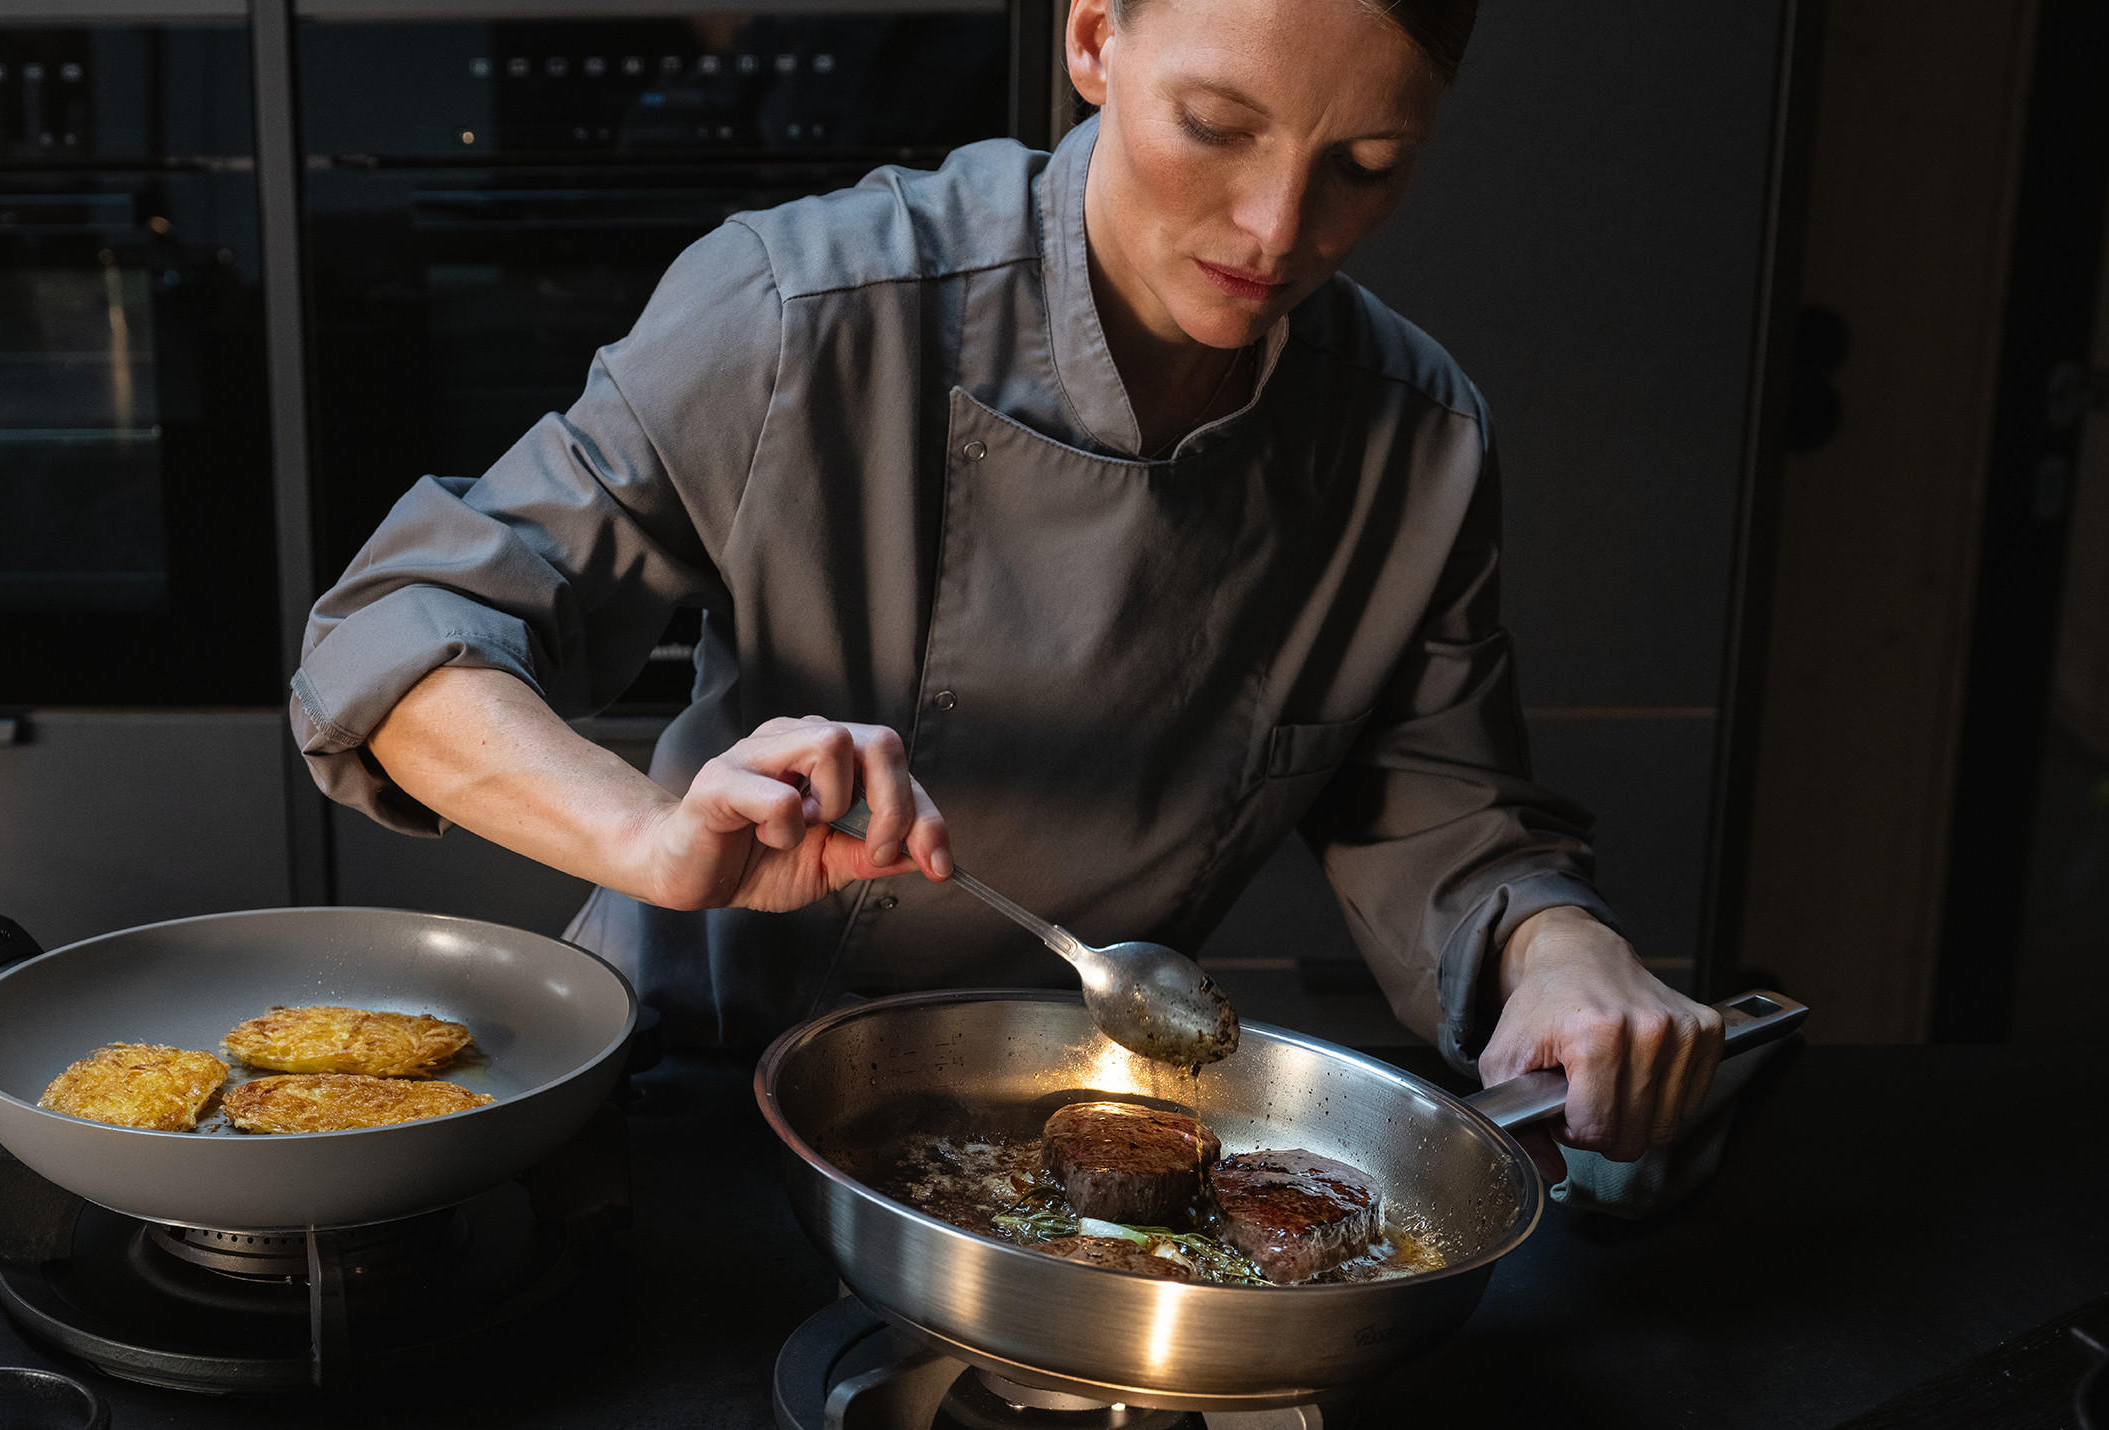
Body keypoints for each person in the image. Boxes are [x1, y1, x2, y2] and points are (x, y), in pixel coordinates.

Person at [290, 0, 1725, 1183]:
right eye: (1215, 128)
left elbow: (1453, 814)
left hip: (1077, 1152)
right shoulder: (804, 312)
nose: (1282, 226)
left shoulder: (1419, 439)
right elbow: (397, 636)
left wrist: (1563, 948)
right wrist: (656, 837)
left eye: (1366, 162)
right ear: (1096, 41)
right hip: (692, 1119)